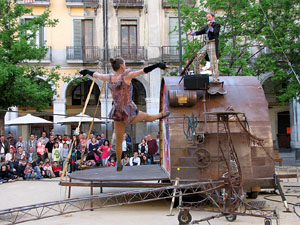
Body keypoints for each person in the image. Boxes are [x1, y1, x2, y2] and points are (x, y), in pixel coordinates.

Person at [80, 58, 170, 171]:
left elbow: (96, 74)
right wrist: (158, 65)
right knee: (147, 117)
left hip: (117, 112)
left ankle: (118, 163)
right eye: (125, 64)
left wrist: (85, 71)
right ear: (122, 66)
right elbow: (144, 70)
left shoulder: (110, 78)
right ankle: (161, 114)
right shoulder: (126, 76)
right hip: (128, 111)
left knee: (118, 140)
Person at [187, 13, 220, 82]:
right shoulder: (207, 27)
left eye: (209, 17)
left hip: (212, 43)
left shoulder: (216, 25)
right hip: (207, 43)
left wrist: (210, 27)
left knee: (213, 62)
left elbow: (214, 33)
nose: (208, 19)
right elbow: (200, 32)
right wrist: (192, 33)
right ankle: (197, 76)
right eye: (207, 18)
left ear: (213, 17)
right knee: (196, 58)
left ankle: (215, 79)